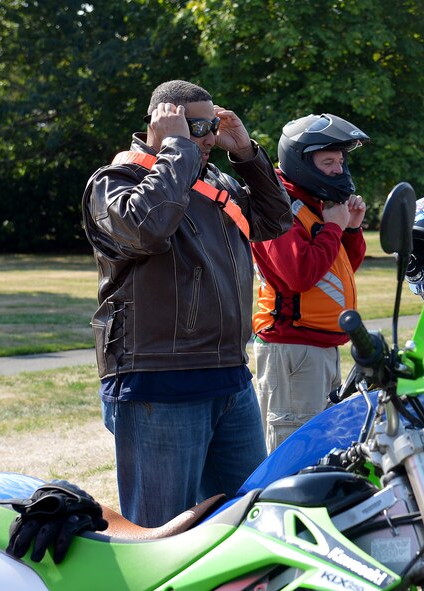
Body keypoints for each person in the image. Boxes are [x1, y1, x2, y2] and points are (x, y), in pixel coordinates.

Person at [81, 80, 293, 527]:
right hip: (159, 383)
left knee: (250, 520)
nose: (209, 138)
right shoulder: (115, 181)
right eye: (197, 126)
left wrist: (248, 155)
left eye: (213, 125)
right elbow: (149, 227)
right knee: (162, 533)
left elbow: (276, 220)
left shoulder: (214, 181)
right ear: (161, 122)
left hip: (230, 378)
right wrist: (177, 148)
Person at [251, 113, 369, 452]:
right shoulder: (280, 204)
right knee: (293, 452)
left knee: (324, 449)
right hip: (292, 350)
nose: (338, 169)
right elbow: (300, 275)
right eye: (328, 161)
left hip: (321, 347)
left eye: (341, 160)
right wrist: (333, 226)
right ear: (301, 162)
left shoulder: (316, 204)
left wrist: (350, 228)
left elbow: (336, 270)